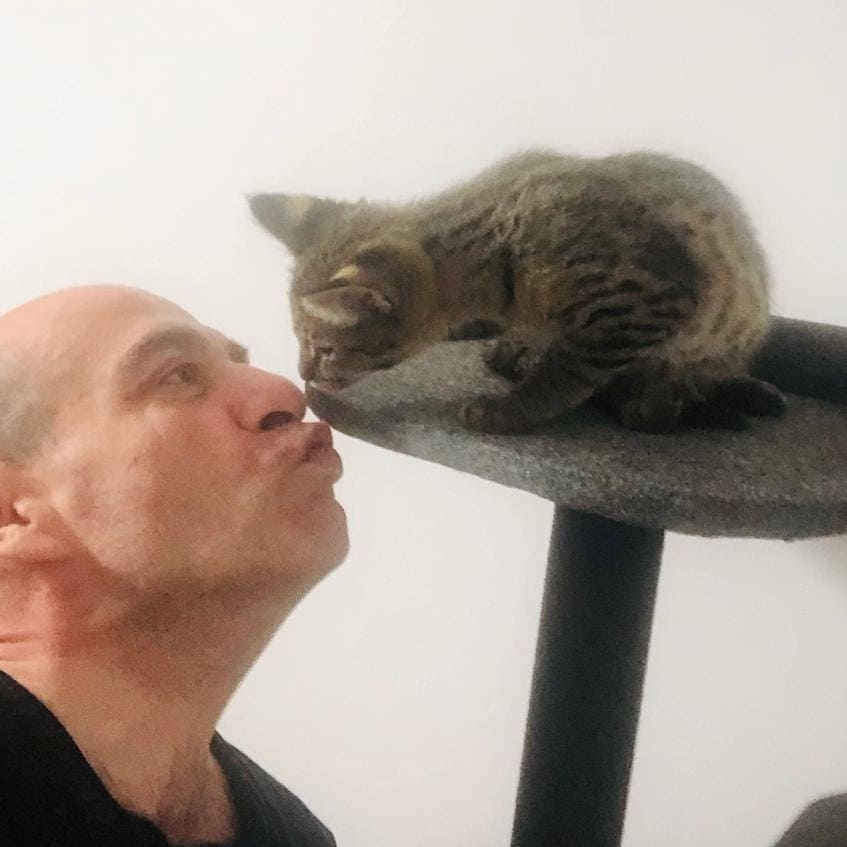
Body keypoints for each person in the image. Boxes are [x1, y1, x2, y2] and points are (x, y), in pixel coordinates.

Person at [0, 284, 348, 846]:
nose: (284, 390)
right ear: (10, 515)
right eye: (178, 376)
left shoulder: (294, 836)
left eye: (240, 361)